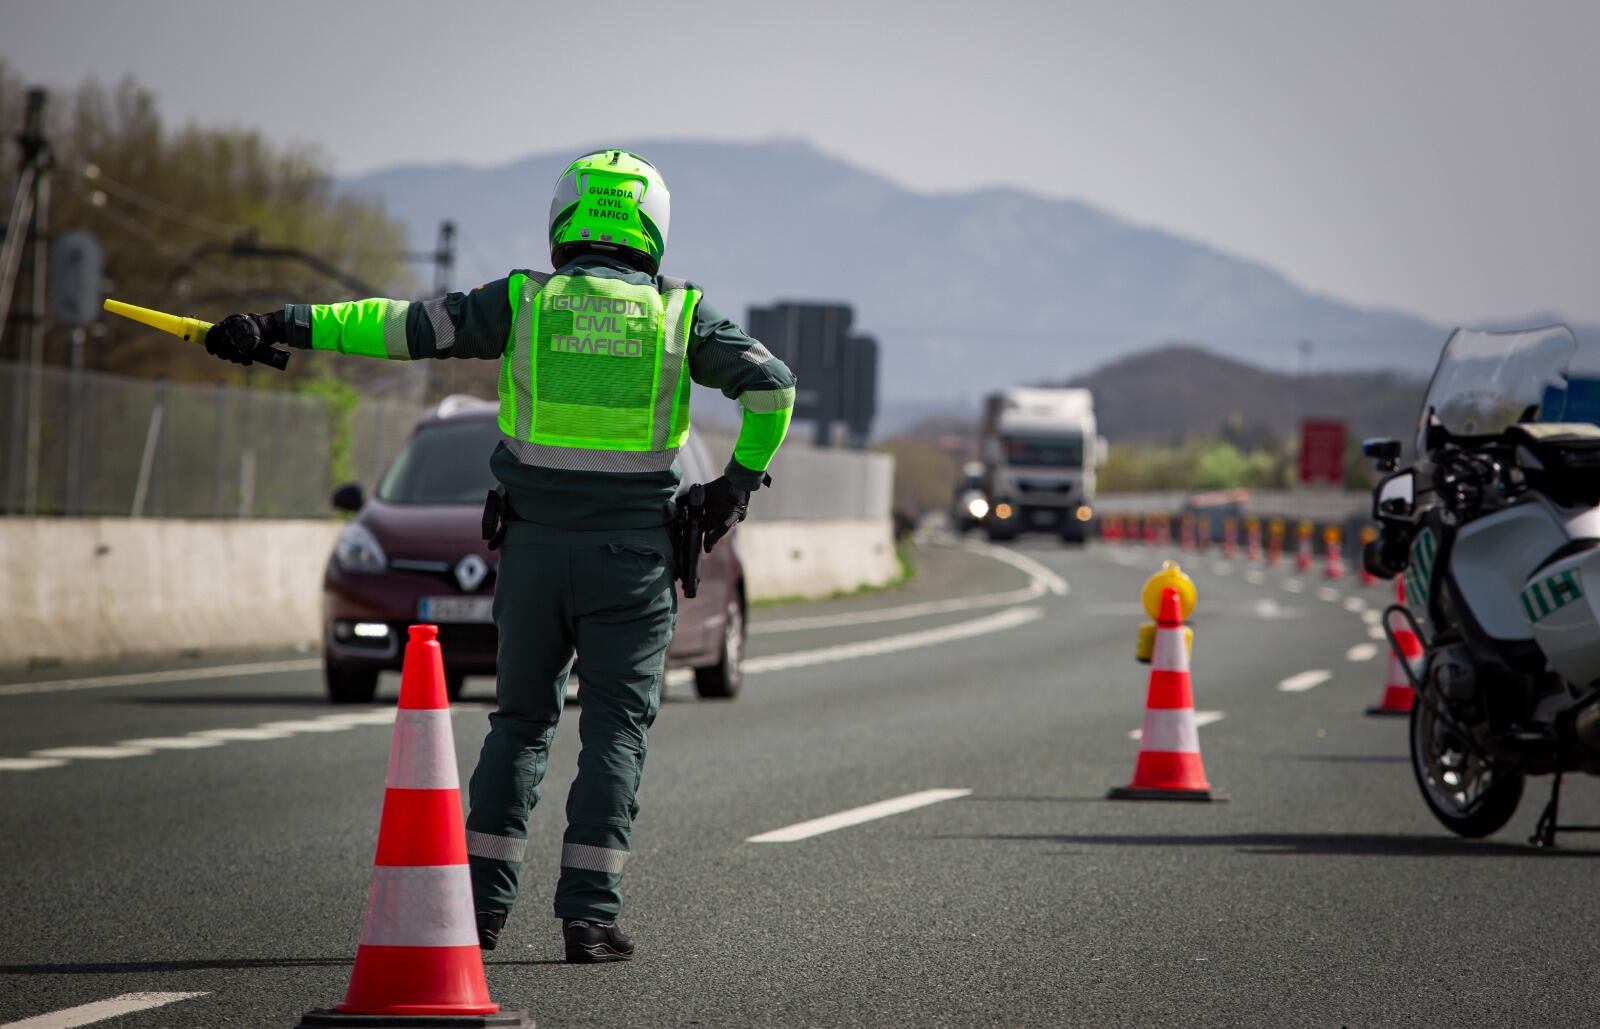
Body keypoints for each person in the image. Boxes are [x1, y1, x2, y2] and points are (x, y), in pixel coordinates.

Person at [205, 149, 795, 963]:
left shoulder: (522, 301)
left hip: (534, 550)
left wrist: (282, 322)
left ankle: (477, 915)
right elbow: (774, 386)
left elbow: (400, 327)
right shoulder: (679, 315)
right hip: (633, 561)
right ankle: (588, 917)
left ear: (565, 220)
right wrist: (731, 488)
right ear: (651, 226)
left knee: (520, 724)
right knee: (617, 731)